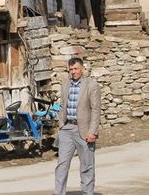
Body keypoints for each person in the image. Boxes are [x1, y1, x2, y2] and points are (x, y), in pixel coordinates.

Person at [55, 56, 101, 195]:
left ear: (82, 69)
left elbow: (95, 110)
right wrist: (61, 124)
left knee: (87, 165)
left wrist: (92, 131)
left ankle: (87, 192)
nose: (73, 72)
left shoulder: (92, 85)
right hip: (67, 128)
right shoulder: (66, 84)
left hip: (85, 130)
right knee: (62, 164)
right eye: (71, 69)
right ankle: (58, 192)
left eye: (76, 69)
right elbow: (63, 104)